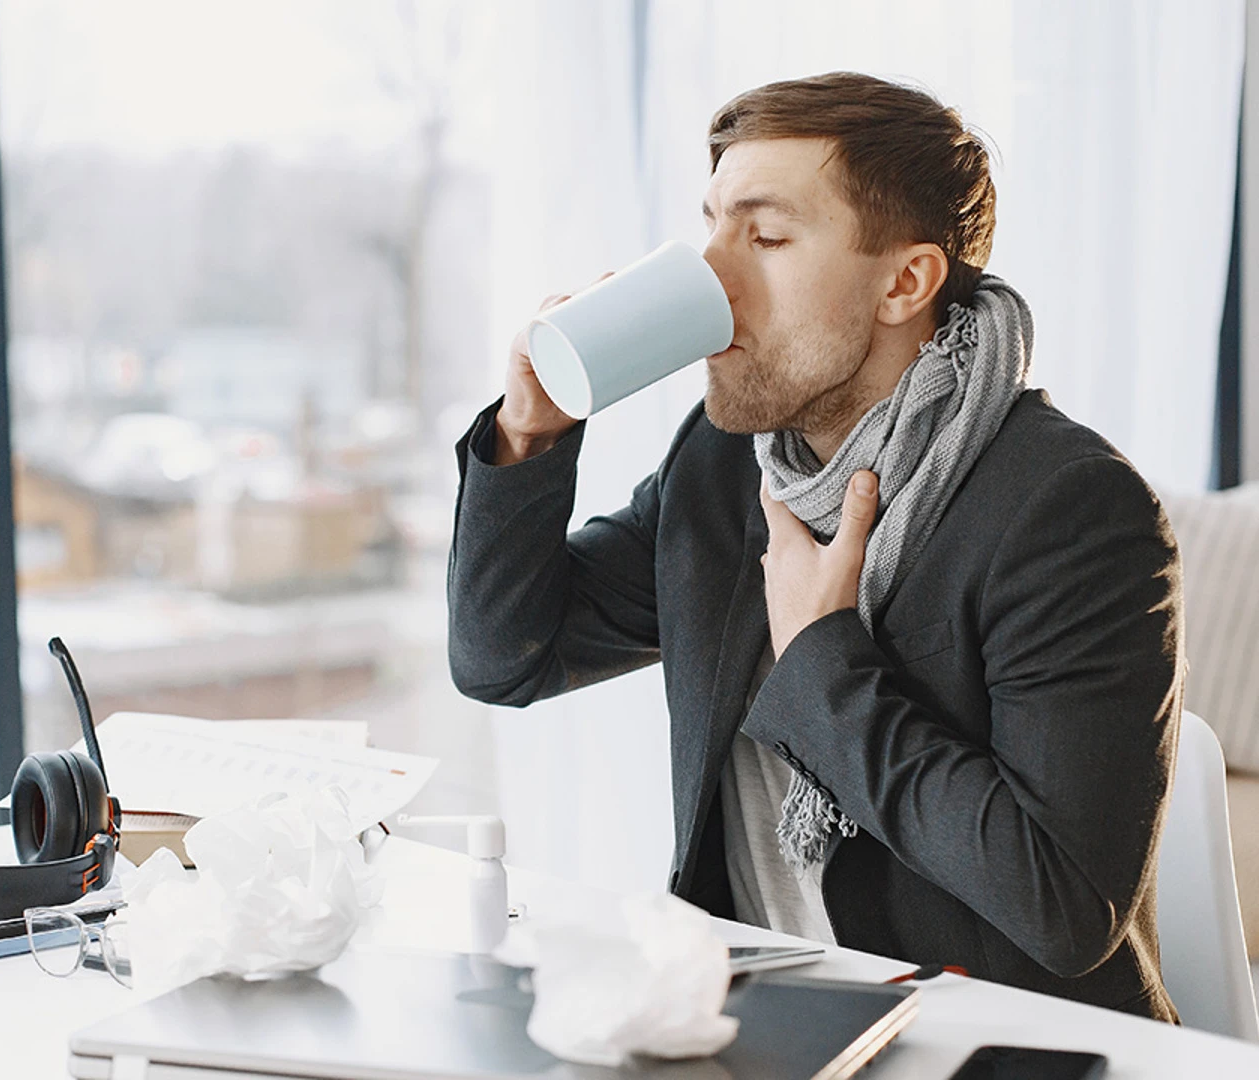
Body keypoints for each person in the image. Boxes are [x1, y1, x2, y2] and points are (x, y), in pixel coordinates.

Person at [447, 72, 1183, 1023]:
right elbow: (506, 657)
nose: (711, 274)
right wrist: (528, 435)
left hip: (984, 1040)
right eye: (711, 226)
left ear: (905, 282)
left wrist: (823, 662)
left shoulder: (1068, 509)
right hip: (759, 1021)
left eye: (767, 235)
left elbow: (1064, 905)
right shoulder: (724, 466)